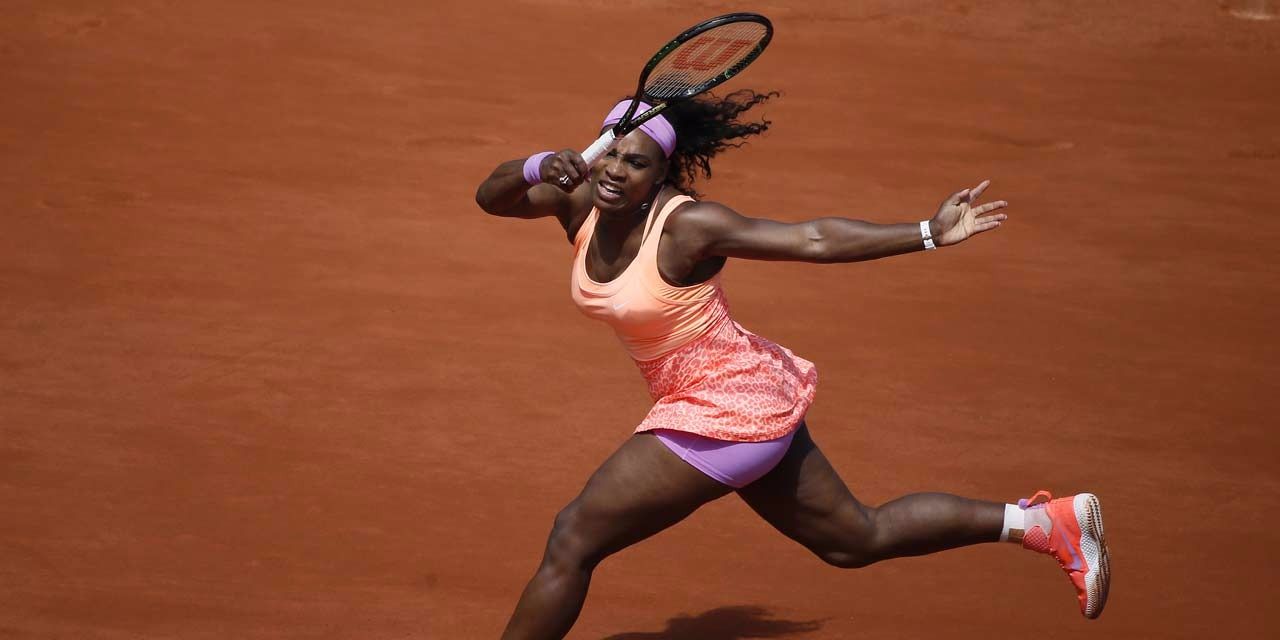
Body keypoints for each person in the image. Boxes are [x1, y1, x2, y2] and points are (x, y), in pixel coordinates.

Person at [474, 90, 1110, 640]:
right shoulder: (580, 200)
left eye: (636, 162)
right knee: (854, 539)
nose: (615, 170)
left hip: (721, 405)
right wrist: (537, 164)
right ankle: (1041, 523)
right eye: (610, 152)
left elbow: (813, 238)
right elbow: (492, 198)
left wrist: (926, 232)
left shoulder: (687, 227)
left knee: (573, 538)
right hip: (743, 396)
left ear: (662, 172)